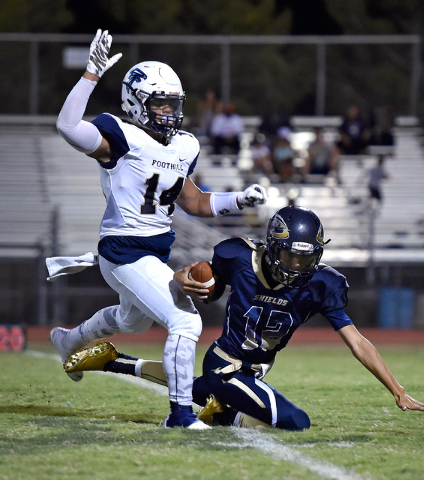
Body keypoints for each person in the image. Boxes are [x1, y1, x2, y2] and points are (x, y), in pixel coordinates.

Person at [49, 29, 267, 430]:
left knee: (132, 322)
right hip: (124, 251)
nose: (168, 112)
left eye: (173, 104)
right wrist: (91, 74)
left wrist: (239, 199)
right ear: (136, 102)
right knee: (186, 322)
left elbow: (196, 201)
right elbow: (67, 126)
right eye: (159, 103)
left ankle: (69, 339)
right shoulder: (119, 134)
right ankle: (180, 415)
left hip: (153, 253)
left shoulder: (183, 145)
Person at [62, 206, 424, 430]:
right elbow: (201, 278)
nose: (297, 265)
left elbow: (358, 341)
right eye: (290, 256)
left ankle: (113, 360)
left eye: (305, 258)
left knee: (192, 387)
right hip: (225, 362)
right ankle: (222, 417)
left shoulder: (322, 284)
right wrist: (180, 277)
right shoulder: (239, 258)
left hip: (256, 369)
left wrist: (397, 389)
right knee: (296, 422)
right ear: (273, 247)